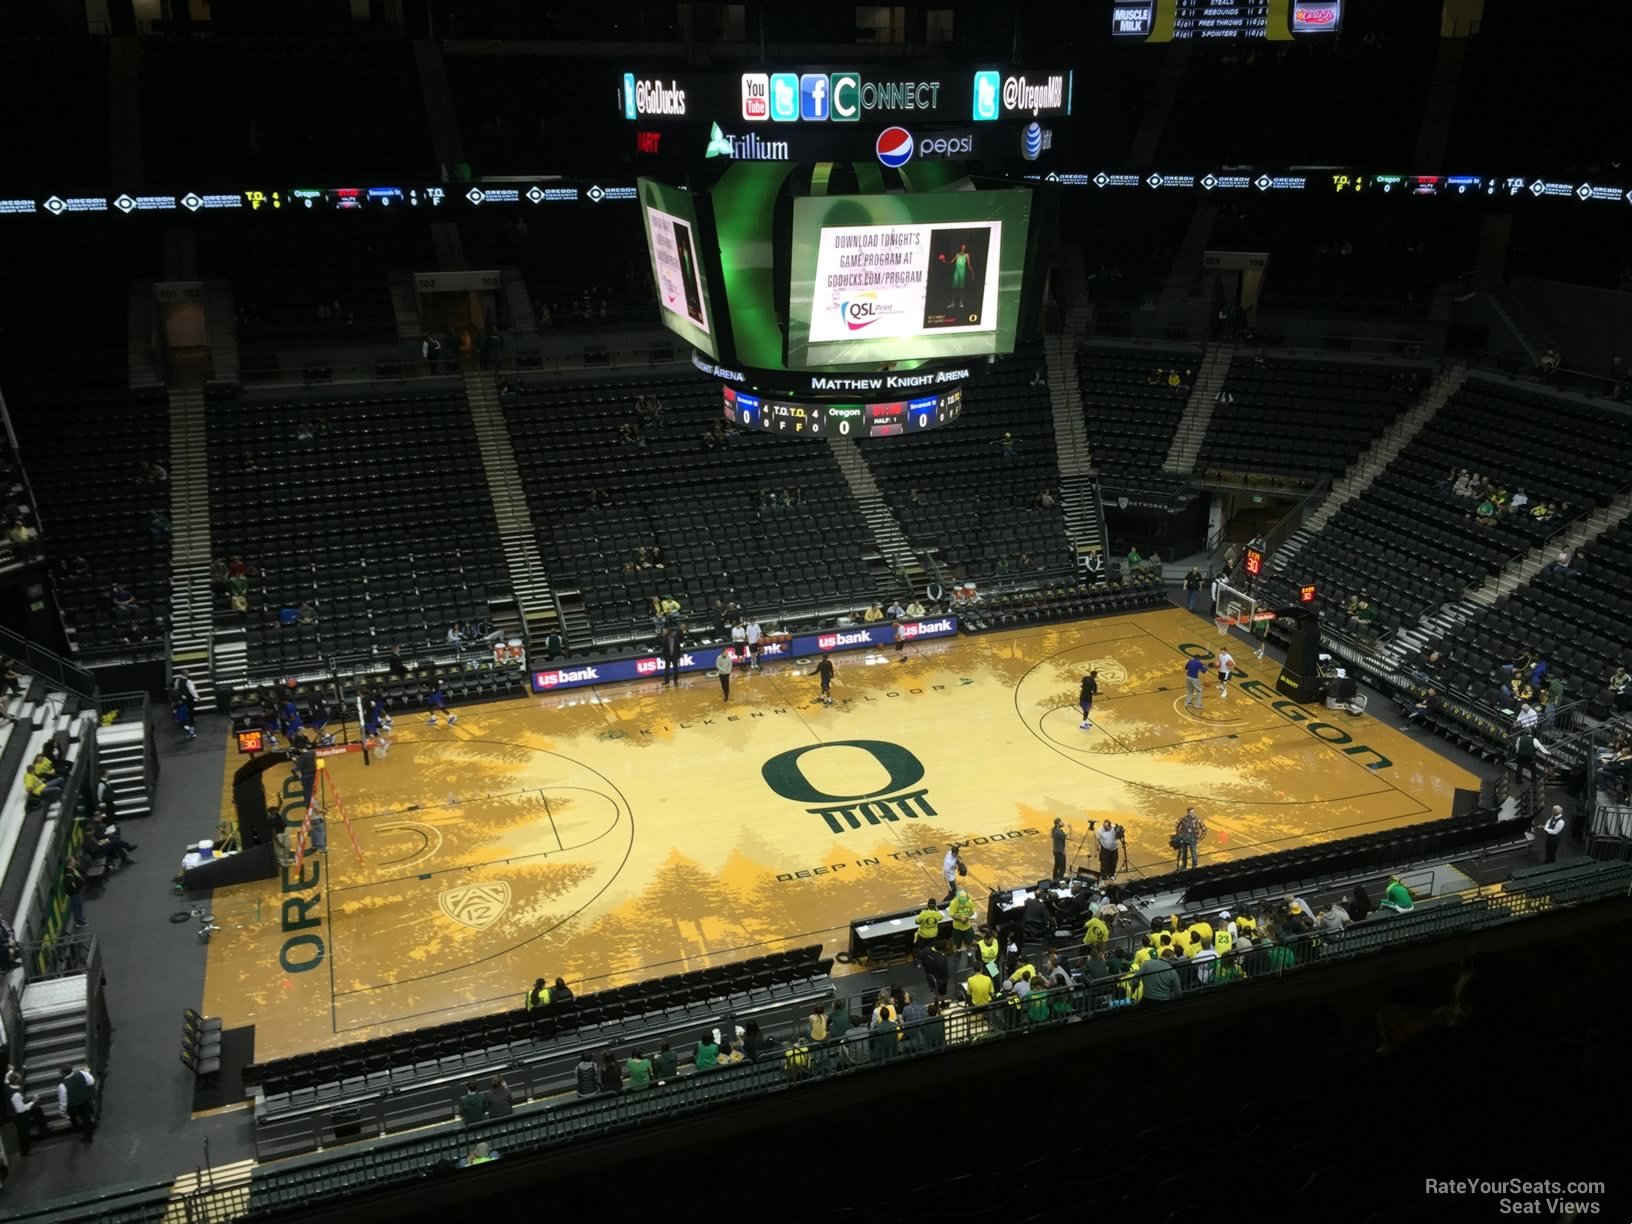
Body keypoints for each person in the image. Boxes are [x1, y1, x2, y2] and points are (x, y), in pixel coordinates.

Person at [7, 1069, 46, 1156]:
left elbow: (6, 1078)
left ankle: (43, 1130)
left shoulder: (8, 1086)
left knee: (37, 1110)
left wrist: (10, 1070)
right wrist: (34, 1101)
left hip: (14, 1110)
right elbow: (21, 1109)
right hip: (18, 1115)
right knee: (24, 1131)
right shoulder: (16, 1095)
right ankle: (25, 1151)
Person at [57, 1065, 96, 1142]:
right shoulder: (82, 1073)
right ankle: (89, 1135)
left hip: (73, 1105)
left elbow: (63, 1102)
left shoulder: (62, 1086)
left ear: (64, 1074)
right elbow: (91, 1081)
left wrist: (63, 1113)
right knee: (86, 1118)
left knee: (73, 1116)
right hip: (84, 1100)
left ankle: (77, 1127)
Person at [947, 888, 976, 957]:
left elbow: (972, 911)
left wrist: (967, 917)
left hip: (967, 926)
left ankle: (969, 954)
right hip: (957, 927)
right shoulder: (953, 902)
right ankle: (958, 951)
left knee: (968, 942)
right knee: (957, 942)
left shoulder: (969, 901)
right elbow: (951, 914)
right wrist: (960, 919)